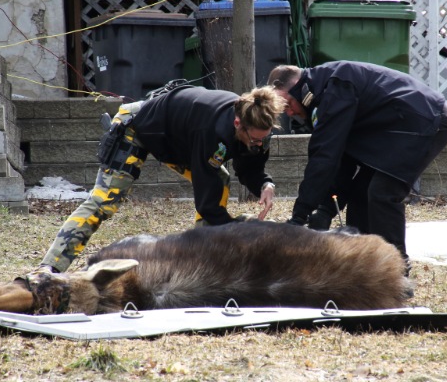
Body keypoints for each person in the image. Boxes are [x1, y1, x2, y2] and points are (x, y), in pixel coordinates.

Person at [38, 84, 286, 273]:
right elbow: (207, 202)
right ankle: (50, 267)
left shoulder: (257, 127)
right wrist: (237, 229)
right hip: (137, 126)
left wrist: (265, 183)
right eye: (254, 139)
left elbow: (249, 165)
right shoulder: (212, 133)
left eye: (263, 139)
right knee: (104, 201)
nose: (258, 144)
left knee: (218, 179)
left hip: (177, 138)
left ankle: (207, 258)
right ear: (237, 124)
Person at [267, 61, 447, 277]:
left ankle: (397, 271)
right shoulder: (325, 92)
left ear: (299, 88)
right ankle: (363, 265)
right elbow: (342, 159)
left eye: (287, 104)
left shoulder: (336, 87)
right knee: (360, 194)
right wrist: (325, 209)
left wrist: (298, 217)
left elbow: (324, 156)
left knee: (382, 193)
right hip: (393, 130)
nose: (288, 113)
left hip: (424, 121)